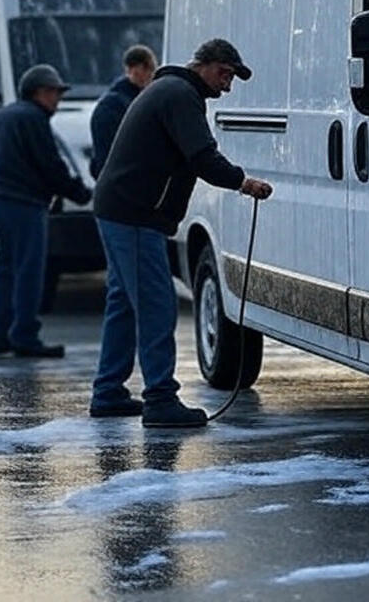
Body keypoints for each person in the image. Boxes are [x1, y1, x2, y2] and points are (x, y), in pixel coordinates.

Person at [90, 39, 273, 427]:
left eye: (232, 78)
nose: (227, 85)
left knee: (123, 304)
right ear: (204, 65)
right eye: (224, 74)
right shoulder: (180, 95)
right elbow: (202, 156)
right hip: (136, 215)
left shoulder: (168, 89)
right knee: (157, 306)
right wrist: (244, 182)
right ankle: (159, 399)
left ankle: (108, 392)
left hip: (118, 209)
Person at [0, 64, 93, 358]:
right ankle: (24, 336)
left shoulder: (2, 116)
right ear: (39, 92)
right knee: (30, 272)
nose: (58, 100)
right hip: (23, 204)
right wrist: (81, 194)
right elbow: (50, 165)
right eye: (55, 92)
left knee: (6, 270)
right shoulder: (34, 118)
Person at [89, 45, 157, 179]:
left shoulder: (116, 102)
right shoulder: (118, 106)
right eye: (150, 69)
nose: (152, 76)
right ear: (138, 69)